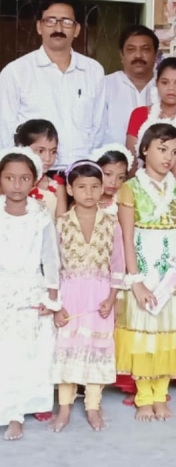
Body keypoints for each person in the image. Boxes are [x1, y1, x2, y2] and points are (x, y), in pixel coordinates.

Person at [115, 123, 176, 422]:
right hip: (144, 271)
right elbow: (126, 238)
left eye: (174, 151)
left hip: (173, 271)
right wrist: (136, 281)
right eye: (162, 149)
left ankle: (161, 394)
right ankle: (144, 397)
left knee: (169, 333)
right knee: (144, 335)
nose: (169, 157)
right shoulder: (130, 189)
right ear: (145, 149)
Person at [49, 160, 125, 433]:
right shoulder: (61, 224)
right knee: (67, 349)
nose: (89, 193)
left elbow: (118, 263)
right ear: (70, 189)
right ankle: (64, 407)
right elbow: (53, 266)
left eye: (95, 186)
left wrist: (112, 298)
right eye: (82, 187)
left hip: (99, 297)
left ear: (102, 188)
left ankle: (93, 405)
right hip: (70, 296)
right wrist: (56, 305)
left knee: (97, 348)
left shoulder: (111, 223)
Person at [0, 0, 106, 171]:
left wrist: (88, 173)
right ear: (39, 27)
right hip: (33, 174)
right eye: (50, 21)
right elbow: (5, 131)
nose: (58, 28)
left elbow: (99, 129)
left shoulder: (93, 71)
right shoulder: (16, 72)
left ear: (77, 29)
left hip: (80, 174)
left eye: (66, 21)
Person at [0, 146, 61, 441]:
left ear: (34, 180)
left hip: (30, 290)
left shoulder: (39, 215)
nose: (16, 185)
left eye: (24, 178)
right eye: (9, 178)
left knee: (25, 353)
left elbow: (50, 257)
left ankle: (16, 413)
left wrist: (52, 296)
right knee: (4, 352)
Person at [103, 25, 159, 144]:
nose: (138, 55)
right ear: (121, 55)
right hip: (113, 155)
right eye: (131, 49)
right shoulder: (105, 86)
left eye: (145, 49)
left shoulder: (166, 87)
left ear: (155, 55)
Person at [13, 119, 67, 220]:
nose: (48, 158)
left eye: (53, 151)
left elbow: (61, 224)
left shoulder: (57, 187)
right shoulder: (8, 182)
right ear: (23, 148)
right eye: (41, 151)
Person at [90, 144, 134, 216]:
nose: (113, 182)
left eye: (120, 177)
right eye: (108, 174)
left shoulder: (123, 202)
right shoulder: (84, 198)